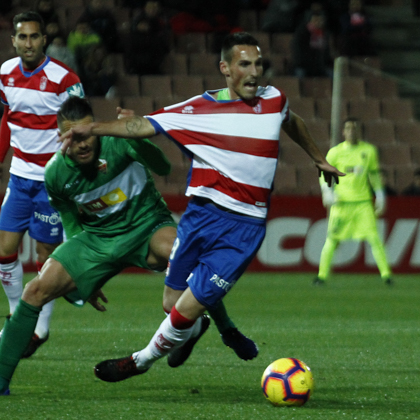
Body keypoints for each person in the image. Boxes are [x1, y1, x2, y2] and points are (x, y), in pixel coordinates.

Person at [56, 32, 343, 383]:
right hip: (200, 216)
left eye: (259, 64)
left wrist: (318, 157)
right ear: (225, 68)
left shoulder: (273, 99)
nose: (255, 72)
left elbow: (291, 120)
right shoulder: (198, 110)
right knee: (171, 302)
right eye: (244, 64)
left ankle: (140, 360)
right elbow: (143, 124)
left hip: (243, 228)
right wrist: (94, 127)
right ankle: (198, 331)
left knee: (186, 307)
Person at [0, 96, 260, 397]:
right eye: (73, 136)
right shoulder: (55, 173)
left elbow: (163, 167)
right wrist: (84, 272)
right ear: (60, 136)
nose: (82, 143)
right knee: (35, 291)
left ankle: (227, 330)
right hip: (97, 239)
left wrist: (138, 140)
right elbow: (71, 220)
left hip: (147, 226)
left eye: (86, 133)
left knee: (190, 259)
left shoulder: (119, 143)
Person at [0, 11, 85, 359]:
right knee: (4, 251)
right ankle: (17, 314)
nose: (28, 43)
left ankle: (39, 327)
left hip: (51, 182)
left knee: (45, 257)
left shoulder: (64, 78)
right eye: (22, 37)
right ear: (13, 40)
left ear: (45, 40)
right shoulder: (6, 73)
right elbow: (8, 117)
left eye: (34, 37)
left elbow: (80, 123)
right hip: (19, 177)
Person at [313, 118, 392, 287]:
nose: (351, 131)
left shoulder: (368, 151)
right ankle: (321, 276)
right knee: (332, 239)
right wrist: (327, 191)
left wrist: (380, 194)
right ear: (343, 132)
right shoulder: (335, 152)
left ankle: (386, 276)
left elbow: (374, 174)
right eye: (348, 128)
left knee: (374, 239)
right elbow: (324, 174)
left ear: (358, 131)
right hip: (341, 204)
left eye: (354, 128)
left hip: (363, 203)